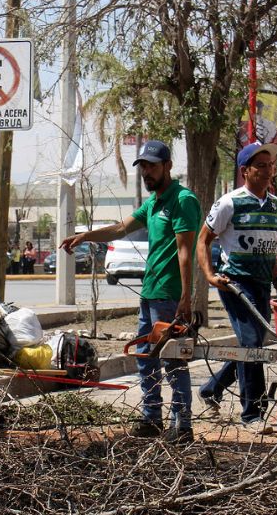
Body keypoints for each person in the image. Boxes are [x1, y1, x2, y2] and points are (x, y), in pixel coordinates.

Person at [61, 139, 202, 443]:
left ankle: (182, 426)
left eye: (152, 165)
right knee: (145, 357)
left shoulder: (182, 200)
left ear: (168, 166)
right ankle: (152, 419)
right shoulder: (154, 203)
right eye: (143, 167)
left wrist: (186, 298)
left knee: (172, 358)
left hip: (170, 295)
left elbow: (185, 252)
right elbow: (119, 228)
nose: (146, 172)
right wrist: (86, 235)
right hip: (150, 292)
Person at [197, 142, 277, 427]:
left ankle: (211, 389)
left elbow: (270, 245)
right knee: (252, 346)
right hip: (235, 284)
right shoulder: (229, 203)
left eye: (270, 166)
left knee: (250, 344)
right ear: (245, 171)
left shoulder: (275, 205)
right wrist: (210, 276)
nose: (267, 171)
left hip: (262, 284)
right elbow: (203, 240)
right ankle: (253, 412)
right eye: (260, 166)